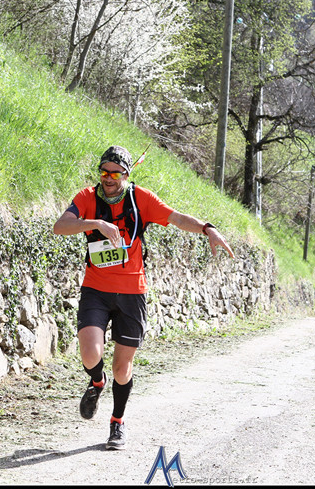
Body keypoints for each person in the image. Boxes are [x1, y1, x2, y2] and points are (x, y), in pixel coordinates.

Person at [52, 145, 235, 450]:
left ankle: (117, 423)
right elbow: (60, 226)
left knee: (122, 369)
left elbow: (176, 218)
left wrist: (208, 229)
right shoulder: (87, 197)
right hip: (96, 289)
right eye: (104, 172)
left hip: (132, 293)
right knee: (90, 355)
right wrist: (96, 223)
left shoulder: (141, 199)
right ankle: (96, 382)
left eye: (115, 174)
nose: (108, 178)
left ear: (126, 174)